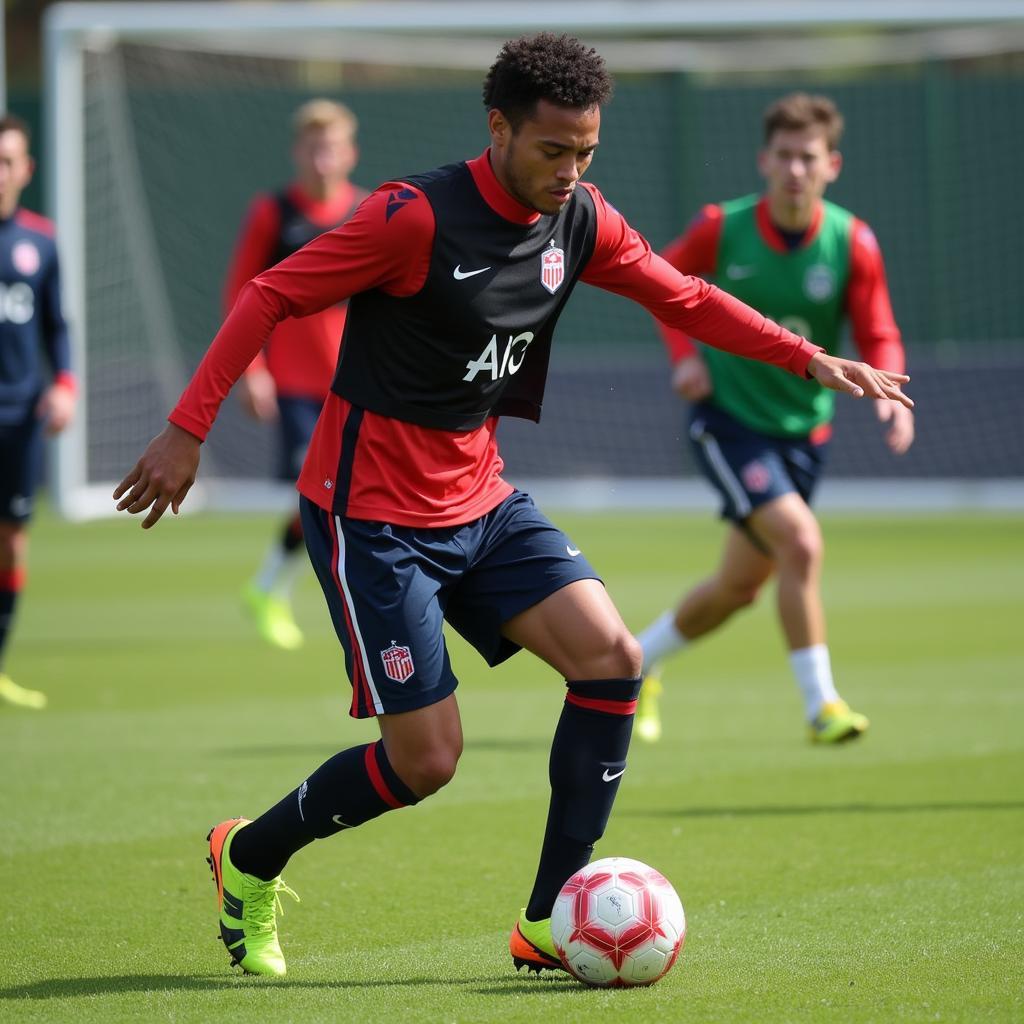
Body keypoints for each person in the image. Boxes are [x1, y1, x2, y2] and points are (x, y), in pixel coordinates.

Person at [113, 38, 911, 979]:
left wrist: (803, 356)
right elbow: (272, 293)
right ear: (498, 129)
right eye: (552, 151)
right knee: (427, 761)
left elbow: (683, 292)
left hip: (482, 501)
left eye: (587, 153)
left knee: (614, 663)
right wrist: (186, 428)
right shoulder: (411, 219)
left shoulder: (581, 219)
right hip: (371, 520)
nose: (571, 172)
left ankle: (547, 922)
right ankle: (247, 858)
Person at [634, 93, 914, 746]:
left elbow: (879, 331)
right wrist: (684, 359)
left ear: (832, 165)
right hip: (728, 422)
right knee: (803, 542)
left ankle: (637, 664)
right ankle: (823, 707)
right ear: (763, 160)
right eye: (783, 156)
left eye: (807, 158)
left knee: (737, 589)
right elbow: (656, 283)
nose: (794, 170)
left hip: (803, 435)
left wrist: (886, 395)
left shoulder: (854, 241)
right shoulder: (720, 227)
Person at [228, 99, 367, 650]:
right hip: (292, 383)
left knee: (337, 495)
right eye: (313, 145)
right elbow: (243, 291)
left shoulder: (366, 209)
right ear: (297, 152)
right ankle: (275, 588)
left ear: (350, 153)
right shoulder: (274, 211)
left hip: (357, 379)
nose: (322, 155)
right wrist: (251, 368)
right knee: (319, 494)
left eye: (332, 144)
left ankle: (268, 587)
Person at [0, 114, 75, 711]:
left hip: (20, 416)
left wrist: (66, 385)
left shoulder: (41, 241)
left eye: (7, 161)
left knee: (12, 541)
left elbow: (57, 325)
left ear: (26, 169)